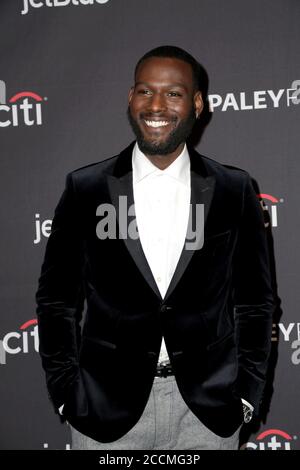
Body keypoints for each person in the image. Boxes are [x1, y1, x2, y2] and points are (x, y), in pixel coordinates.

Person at [36, 45, 274, 450]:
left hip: (207, 412)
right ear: (130, 98)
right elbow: (57, 301)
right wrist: (65, 393)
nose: (156, 105)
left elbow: (255, 302)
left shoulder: (233, 190)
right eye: (145, 91)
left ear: (197, 103)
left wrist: (247, 395)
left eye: (174, 93)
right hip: (105, 412)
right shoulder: (87, 189)